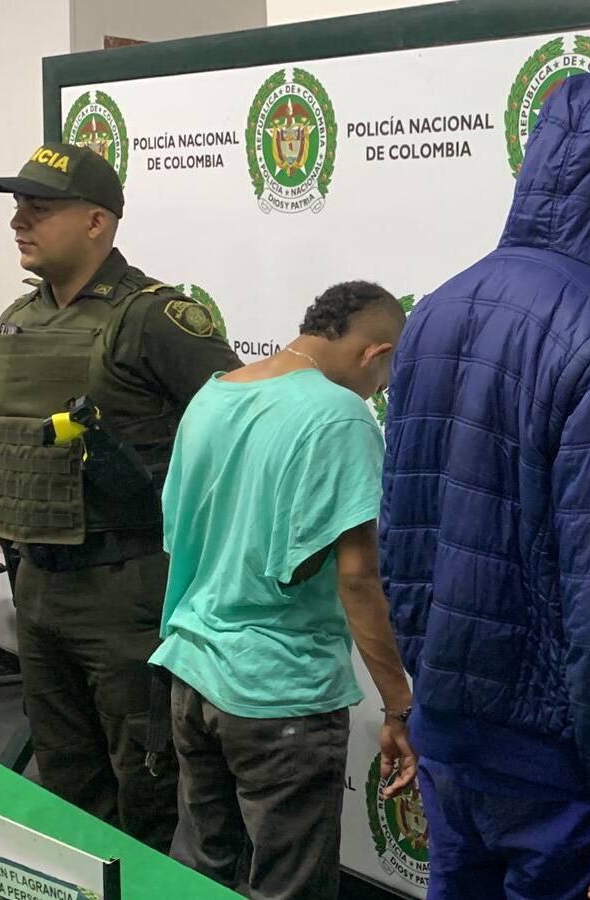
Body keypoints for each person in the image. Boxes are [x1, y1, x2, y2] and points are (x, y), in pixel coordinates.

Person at [380, 73, 590, 900]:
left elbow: (403, 545)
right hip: (557, 774)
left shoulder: (435, 311)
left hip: (451, 744)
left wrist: (431, 702)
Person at [0, 143, 241, 850]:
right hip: (38, 584)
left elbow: (244, 429)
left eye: (39, 208)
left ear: (97, 222)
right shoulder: (19, 318)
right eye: (17, 206)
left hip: (125, 587)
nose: (18, 221)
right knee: (66, 779)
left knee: (146, 782)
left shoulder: (155, 318)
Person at [153, 281, 417, 899]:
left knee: (200, 875)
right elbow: (358, 577)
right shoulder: (339, 415)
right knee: (290, 888)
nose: (378, 391)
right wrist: (398, 703)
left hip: (192, 673)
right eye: (385, 377)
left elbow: (177, 532)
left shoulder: (214, 394)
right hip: (279, 693)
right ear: (375, 353)